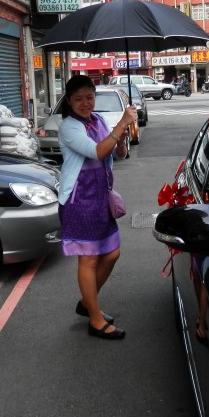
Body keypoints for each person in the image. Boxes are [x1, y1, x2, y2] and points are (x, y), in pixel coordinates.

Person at [58, 75, 138, 340]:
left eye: (89, 97)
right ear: (69, 101)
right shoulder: (69, 127)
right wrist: (122, 123)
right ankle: (94, 318)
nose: (85, 103)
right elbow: (97, 152)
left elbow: (117, 153)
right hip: (79, 200)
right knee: (89, 257)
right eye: (78, 99)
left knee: (111, 253)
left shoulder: (99, 121)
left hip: (101, 198)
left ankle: (87, 302)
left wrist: (124, 138)